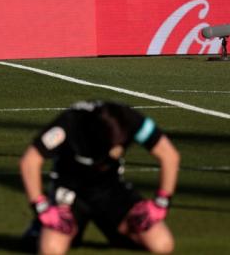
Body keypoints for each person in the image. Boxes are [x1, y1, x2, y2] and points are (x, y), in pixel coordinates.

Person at [19, 100, 179, 254]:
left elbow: (169, 155)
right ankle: (40, 228)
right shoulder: (70, 122)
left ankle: (116, 230)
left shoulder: (131, 119)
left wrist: (161, 203)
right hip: (69, 192)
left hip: (111, 191)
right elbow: (30, 161)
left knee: (162, 244)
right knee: (51, 249)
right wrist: (41, 208)